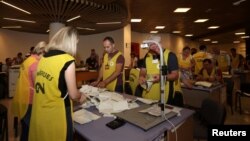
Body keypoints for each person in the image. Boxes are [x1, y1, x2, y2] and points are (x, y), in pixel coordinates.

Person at [28, 27, 87, 141]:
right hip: (57, 113)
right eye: (76, 43)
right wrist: (81, 96)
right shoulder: (67, 60)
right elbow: (73, 94)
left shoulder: (44, 58)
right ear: (71, 42)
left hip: (40, 111)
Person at [12, 41, 46, 141]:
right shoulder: (35, 64)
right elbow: (38, 85)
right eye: (46, 54)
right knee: (29, 130)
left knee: (25, 128)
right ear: (42, 52)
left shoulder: (28, 60)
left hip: (22, 97)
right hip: (30, 100)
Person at [138, 35, 180, 105]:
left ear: (160, 44)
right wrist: (141, 76)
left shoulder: (170, 55)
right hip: (149, 92)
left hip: (165, 92)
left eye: (156, 44)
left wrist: (161, 77)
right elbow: (143, 70)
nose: (154, 47)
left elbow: (175, 75)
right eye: (151, 45)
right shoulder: (148, 55)